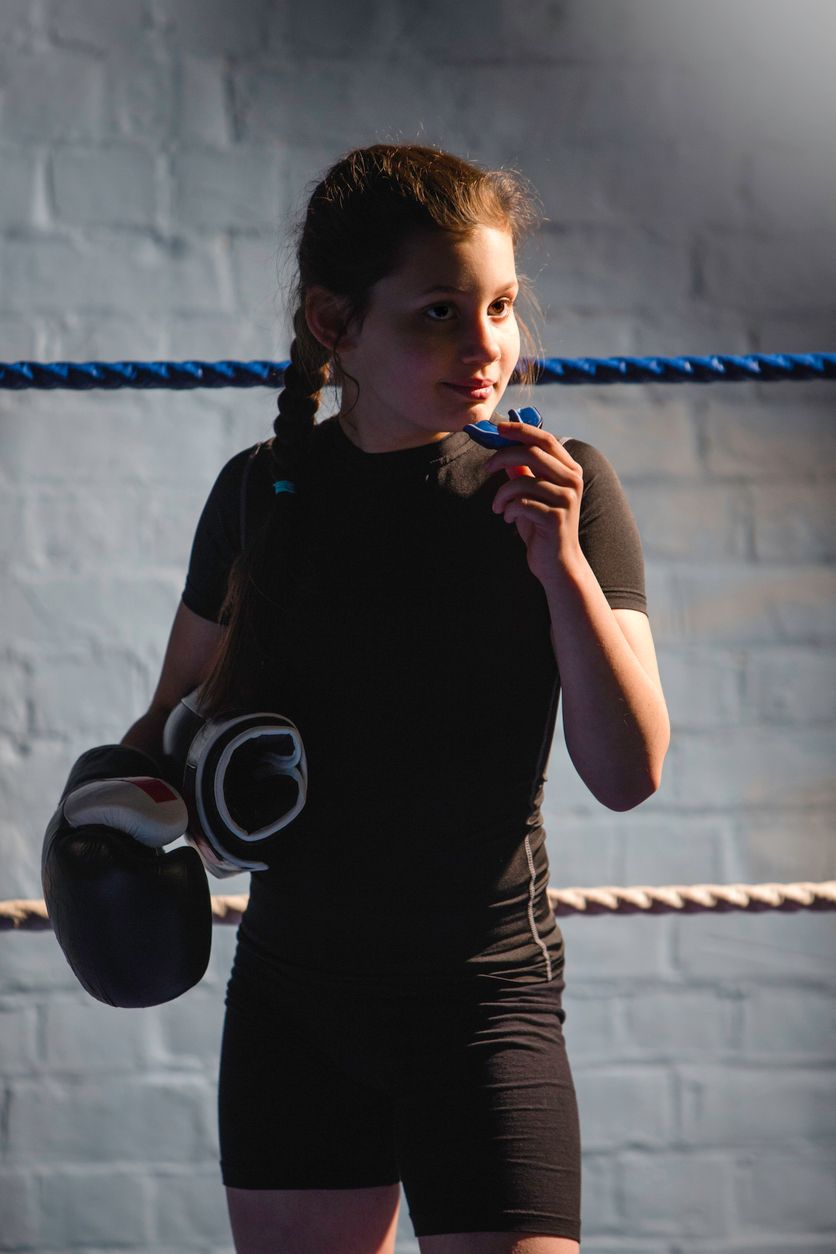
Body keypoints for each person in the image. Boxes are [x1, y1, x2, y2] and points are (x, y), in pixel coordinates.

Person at [122, 143, 670, 1254]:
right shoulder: (259, 496)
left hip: (482, 1007)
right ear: (335, 325)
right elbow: (162, 732)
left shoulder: (563, 486)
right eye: (438, 313)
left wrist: (558, 561)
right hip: (293, 1008)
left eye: (502, 307)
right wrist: (110, 819)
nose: (487, 349)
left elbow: (627, 775)